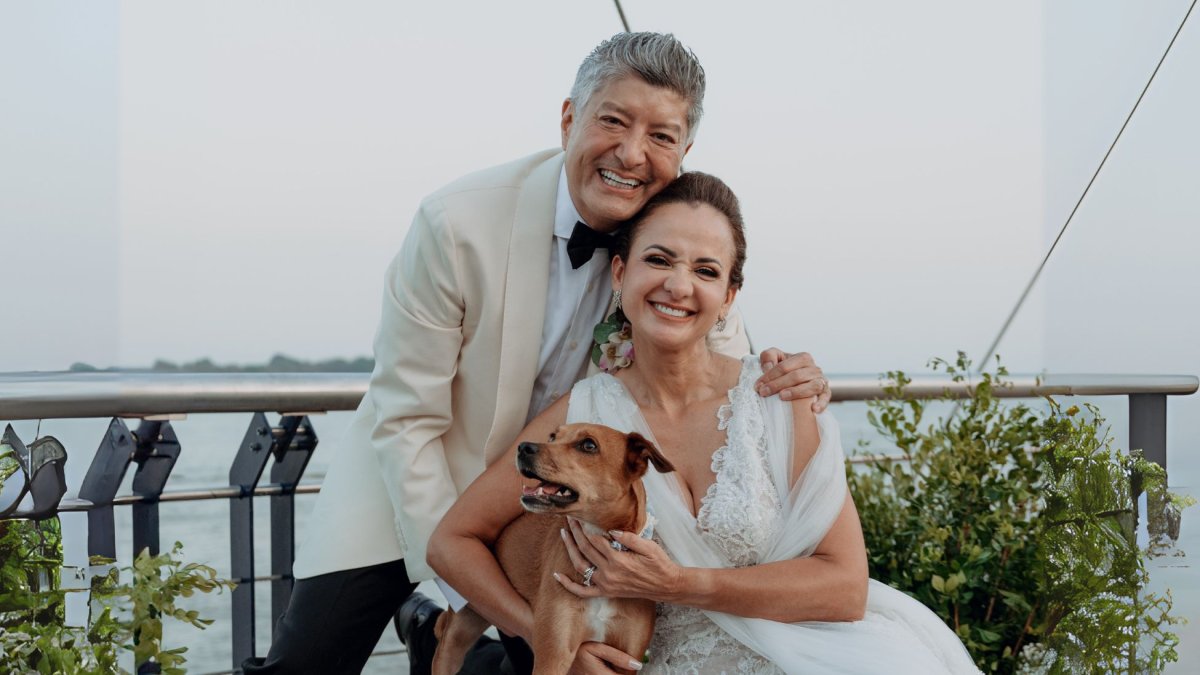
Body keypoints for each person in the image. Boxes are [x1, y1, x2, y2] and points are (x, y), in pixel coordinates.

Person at [246, 33, 832, 674]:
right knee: (306, 666)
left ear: (683, 153)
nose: (632, 154)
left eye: (661, 136)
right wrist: (490, 603)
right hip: (412, 480)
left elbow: (716, 371)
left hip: (559, 499)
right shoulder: (454, 223)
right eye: (614, 121)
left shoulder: (671, 251)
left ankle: (442, 641)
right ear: (569, 119)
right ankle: (438, 623)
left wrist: (787, 378)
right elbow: (406, 419)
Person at [429, 172, 981, 674]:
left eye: (706, 270)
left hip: (813, 654)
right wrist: (546, 635)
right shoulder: (582, 418)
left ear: (728, 297)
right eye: (659, 259)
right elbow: (452, 543)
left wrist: (679, 584)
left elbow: (844, 588)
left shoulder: (777, 399)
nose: (678, 285)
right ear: (620, 272)